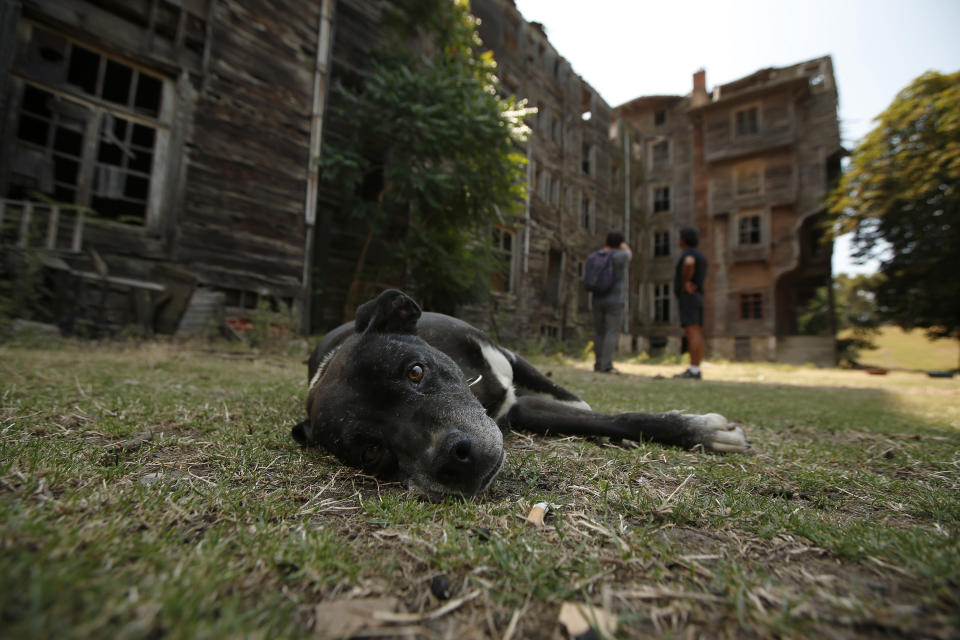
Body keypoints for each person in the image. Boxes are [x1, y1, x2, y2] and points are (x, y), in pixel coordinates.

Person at [592, 231, 632, 373]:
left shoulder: (595, 256)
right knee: (611, 332)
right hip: (615, 299)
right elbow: (629, 253)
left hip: (597, 298)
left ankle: (597, 363)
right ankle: (606, 365)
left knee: (599, 332)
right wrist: (623, 245)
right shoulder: (621, 255)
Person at [674, 225, 707, 379]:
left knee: (691, 331)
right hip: (698, 296)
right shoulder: (701, 255)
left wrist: (686, 281)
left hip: (689, 296)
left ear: (683, 239)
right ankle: (696, 367)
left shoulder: (689, 254)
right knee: (697, 331)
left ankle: (694, 369)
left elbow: (688, 263)